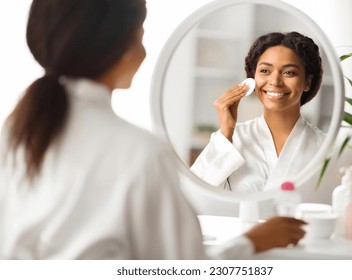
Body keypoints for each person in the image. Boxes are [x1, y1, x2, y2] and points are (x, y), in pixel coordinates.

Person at [0, 0, 306, 259]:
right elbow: (181, 269)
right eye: (140, 36)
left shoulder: (15, 131)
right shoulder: (139, 152)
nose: (275, 81)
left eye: (289, 72)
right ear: (121, 47)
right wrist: (253, 242)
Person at [191, 31, 325, 192]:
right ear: (253, 79)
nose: (275, 81)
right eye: (265, 71)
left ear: (307, 83)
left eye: (289, 72)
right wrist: (226, 131)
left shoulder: (325, 146)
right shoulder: (231, 139)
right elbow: (197, 194)